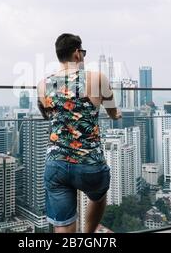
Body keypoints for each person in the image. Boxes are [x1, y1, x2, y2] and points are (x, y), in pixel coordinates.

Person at [37, 33, 121, 233]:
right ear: (76, 54)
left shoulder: (42, 84)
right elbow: (112, 111)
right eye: (83, 52)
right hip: (90, 164)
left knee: (63, 225)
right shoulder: (97, 78)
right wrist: (116, 114)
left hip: (56, 163)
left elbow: (47, 115)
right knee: (98, 196)